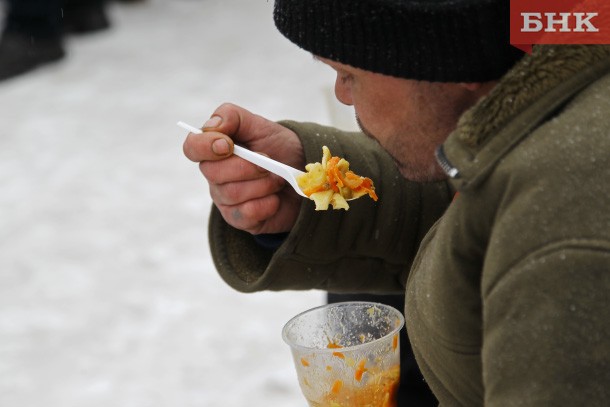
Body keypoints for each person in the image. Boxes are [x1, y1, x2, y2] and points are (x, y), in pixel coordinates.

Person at [182, 0, 610, 405]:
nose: (342, 94)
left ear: (451, 53)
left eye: (349, 72)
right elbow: (480, 206)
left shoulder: (567, 232)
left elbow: (527, 222)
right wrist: (316, 192)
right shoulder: (553, 69)